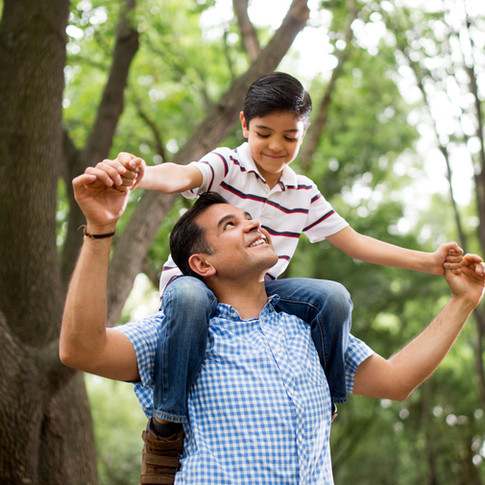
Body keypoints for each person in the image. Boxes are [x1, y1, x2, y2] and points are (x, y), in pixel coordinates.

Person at [96, 71, 464, 481]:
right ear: (244, 126)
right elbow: (182, 175)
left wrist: (429, 262)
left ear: (303, 134)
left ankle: (324, 402)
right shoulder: (228, 163)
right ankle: (167, 423)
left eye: (290, 137)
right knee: (189, 301)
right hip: (196, 286)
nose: (275, 146)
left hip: (263, 292)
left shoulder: (303, 192)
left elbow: (356, 243)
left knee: (334, 297)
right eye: (264, 133)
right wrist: (139, 176)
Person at [60, 173, 485, 484]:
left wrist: (463, 301)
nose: (253, 224)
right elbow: (80, 349)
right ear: (202, 264)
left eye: (249, 217)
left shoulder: (309, 328)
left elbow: (396, 381)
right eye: (230, 225)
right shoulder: (177, 333)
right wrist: (100, 228)